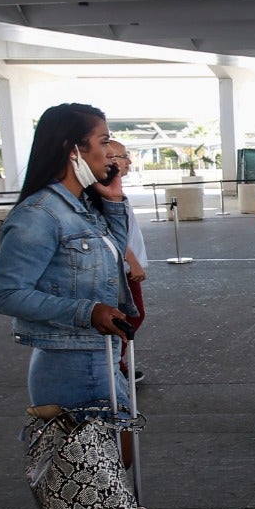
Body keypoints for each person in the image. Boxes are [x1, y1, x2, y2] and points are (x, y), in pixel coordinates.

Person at [0, 103, 136, 509]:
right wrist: (84, 311)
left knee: (105, 461)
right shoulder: (38, 214)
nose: (110, 150)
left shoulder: (83, 207)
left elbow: (120, 265)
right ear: (74, 150)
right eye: (102, 140)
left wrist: (113, 198)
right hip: (68, 360)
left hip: (97, 356)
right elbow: (5, 293)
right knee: (90, 467)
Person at [104, 140, 149, 383]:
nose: (128, 161)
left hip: (123, 267)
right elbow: (111, 231)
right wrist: (132, 261)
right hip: (119, 269)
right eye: (123, 156)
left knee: (129, 316)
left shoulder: (113, 190)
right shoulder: (101, 193)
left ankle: (116, 363)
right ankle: (114, 365)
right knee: (129, 316)